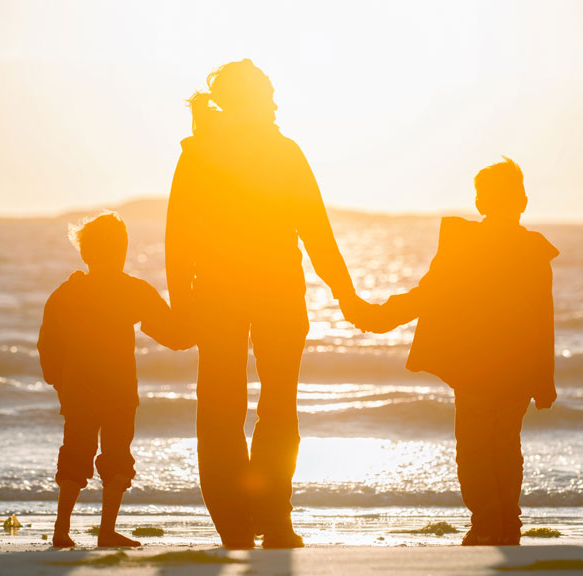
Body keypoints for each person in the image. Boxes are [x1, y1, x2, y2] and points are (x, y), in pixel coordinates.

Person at [166, 59, 359, 549]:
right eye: (268, 94)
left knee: (224, 411)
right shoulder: (276, 152)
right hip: (265, 294)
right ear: (250, 100)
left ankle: (243, 523)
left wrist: (181, 304)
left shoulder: (203, 153)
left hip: (228, 296)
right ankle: (268, 521)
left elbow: (177, 241)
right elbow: (316, 230)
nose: (276, 104)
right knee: (270, 410)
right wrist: (345, 293)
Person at [346, 157, 558, 546]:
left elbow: (427, 295)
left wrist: (378, 318)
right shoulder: (532, 252)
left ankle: (486, 525)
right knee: (505, 448)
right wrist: (544, 380)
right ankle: (505, 524)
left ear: (480, 204)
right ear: (523, 202)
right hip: (512, 368)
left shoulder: (468, 245)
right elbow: (543, 324)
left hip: (476, 366)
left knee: (477, 448)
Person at [38, 212, 191, 548]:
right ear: (122, 250)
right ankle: (106, 531)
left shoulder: (67, 292)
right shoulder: (131, 290)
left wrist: (59, 381)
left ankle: (61, 530)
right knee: (117, 457)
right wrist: (204, 315)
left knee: (75, 453)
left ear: (86, 253)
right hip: (119, 390)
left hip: (78, 388)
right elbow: (174, 336)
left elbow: (48, 342)